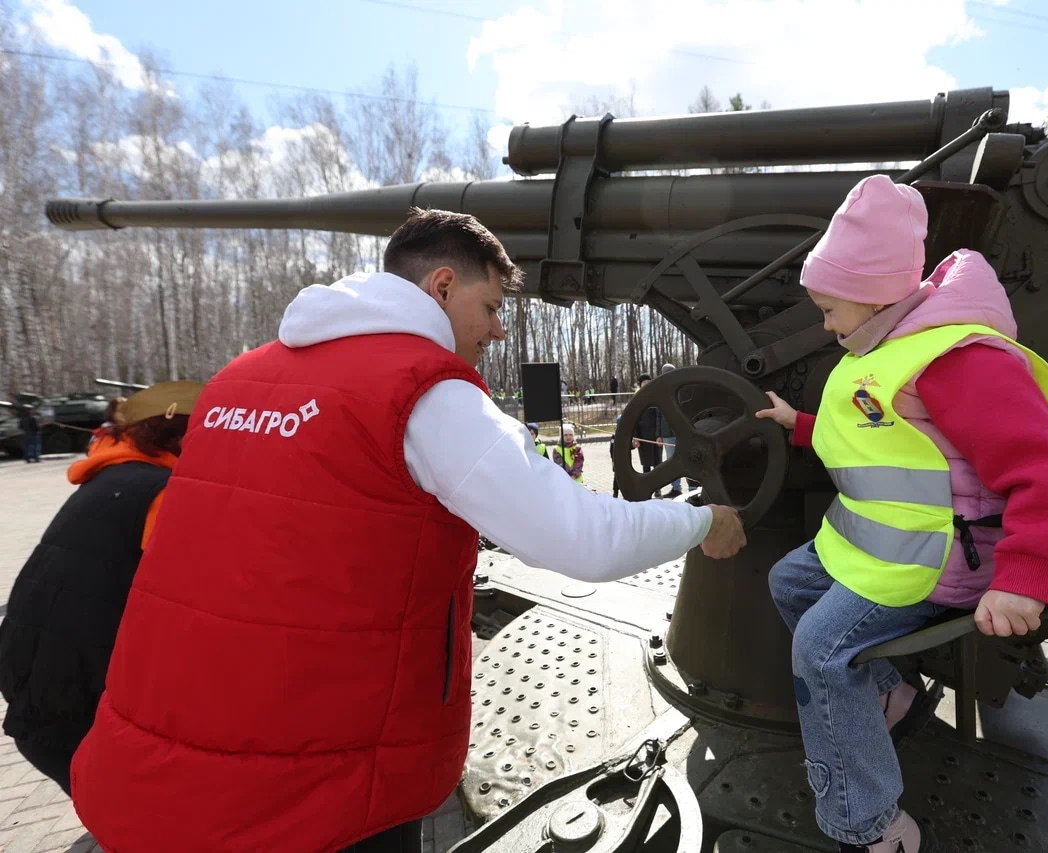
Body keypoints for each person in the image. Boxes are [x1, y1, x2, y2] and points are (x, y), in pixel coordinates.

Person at [69, 208, 747, 853]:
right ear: (442, 285)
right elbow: (580, 536)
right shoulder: (424, 393)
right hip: (317, 792)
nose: (498, 332)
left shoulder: (234, 382)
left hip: (157, 768)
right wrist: (699, 520)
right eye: (490, 307)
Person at [754, 175, 1048, 853]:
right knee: (790, 580)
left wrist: (1024, 576)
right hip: (891, 553)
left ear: (873, 298)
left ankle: (869, 824)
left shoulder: (956, 359)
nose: (825, 325)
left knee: (819, 649)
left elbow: (1043, 468)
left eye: (829, 309)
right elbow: (877, 431)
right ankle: (888, 697)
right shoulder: (890, 351)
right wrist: (799, 423)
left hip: (941, 564)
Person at [0, 380, 204, 797]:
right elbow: (193, 605)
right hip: (84, 713)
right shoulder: (162, 493)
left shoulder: (115, 476)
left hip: (36, 688)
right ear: (182, 436)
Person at [655, 362, 682, 497]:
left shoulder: (681, 389)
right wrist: (658, 434)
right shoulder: (661, 391)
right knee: (672, 461)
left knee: (687, 457)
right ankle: (676, 488)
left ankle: (693, 485)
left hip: (682, 432)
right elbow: (659, 415)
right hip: (667, 432)